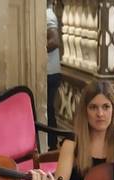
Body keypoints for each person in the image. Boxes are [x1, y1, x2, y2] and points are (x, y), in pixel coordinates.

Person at [46, 5, 62, 149]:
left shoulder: (47, 14)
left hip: (50, 72)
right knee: (48, 109)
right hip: (49, 71)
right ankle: (51, 144)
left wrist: (38, 49)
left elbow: (55, 41)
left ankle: (51, 145)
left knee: (48, 109)